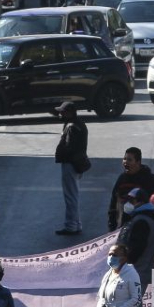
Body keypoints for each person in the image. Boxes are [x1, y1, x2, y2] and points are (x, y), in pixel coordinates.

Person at [54, 101, 90, 236]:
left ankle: (71, 226)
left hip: (71, 164)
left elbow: (69, 147)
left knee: (70, 197)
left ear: (69, 113)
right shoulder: (79, 124)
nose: (60, 114)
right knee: (73, 195)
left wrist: (61, 155)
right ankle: (76, 224)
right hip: (77, 164)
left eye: (62, 112)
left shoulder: (72, 127)